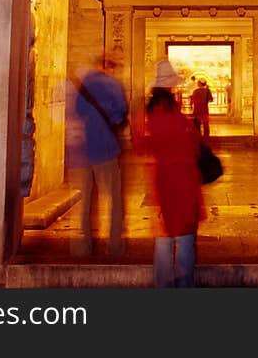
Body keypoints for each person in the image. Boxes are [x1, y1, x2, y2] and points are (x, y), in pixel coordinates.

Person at [144, 59, 205, 287]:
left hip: (164, 178)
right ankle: (182, 285)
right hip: (180, 179)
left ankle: (164, 285)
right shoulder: (168, 111)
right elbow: (182, 144)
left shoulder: (154, 109)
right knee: (184, 237)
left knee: (164, 236)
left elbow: (148, 145)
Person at [67, 53, 129, 258]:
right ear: (110, 67)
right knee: (113, 198)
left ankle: (83, 246)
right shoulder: (113, 85)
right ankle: (114, 245)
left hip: (84, 150)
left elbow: (77, 110)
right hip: (107, 148)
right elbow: (121, 112)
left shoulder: (84, 84)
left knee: (85, 200)